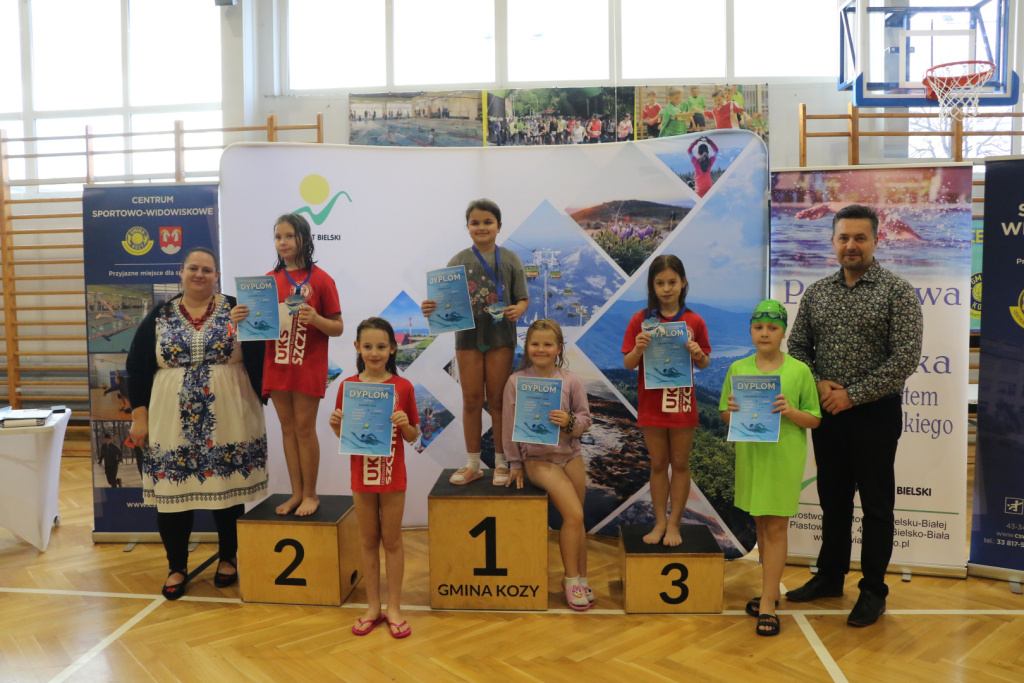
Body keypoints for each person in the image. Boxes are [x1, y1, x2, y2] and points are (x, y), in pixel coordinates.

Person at [785, 204, 923, 627]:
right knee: (833, 500)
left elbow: (905, 358)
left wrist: (853, 395)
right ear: (833, 242)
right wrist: (818, 383)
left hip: (875, 415)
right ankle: (830, 576)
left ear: (876, 241)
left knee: (877, 506)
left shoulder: (897, 292)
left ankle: (873, 591)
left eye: (860, 238)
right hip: (827, 412)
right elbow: (797, 347)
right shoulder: (817, 293)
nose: (851, 245)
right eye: (843, 238)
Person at [127, 246, 268, 600]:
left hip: (230, 415)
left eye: (207, 270)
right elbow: (137, 366)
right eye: (193, 268)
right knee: (172, 494)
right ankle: (176, 565)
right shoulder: (160, 315)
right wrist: (139, 415)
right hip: (169, 419)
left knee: (227, 489)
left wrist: (251, 324)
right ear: (182, 272)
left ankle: (228, 557)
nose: (199, 274)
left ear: (217, 275)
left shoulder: (237, 307)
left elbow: (264, 349)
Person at [719, 300, 821, 636]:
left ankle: (767, 604)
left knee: (776, 528)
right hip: (752, 458)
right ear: (751, 331)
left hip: (783, 459)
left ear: (783, 332)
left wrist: (790, 411)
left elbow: (814, 419)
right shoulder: (738, 369)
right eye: (758, 327)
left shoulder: (799, 371)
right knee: (762, 526)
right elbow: (725, 414)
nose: (765, 333)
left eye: (772, 328)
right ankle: (771, 590)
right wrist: (732, 411)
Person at [231, 213, 343, 517]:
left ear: (304, 238)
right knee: (287, 428)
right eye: (278, 237)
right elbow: (255, 327)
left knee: (305, 429)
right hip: (277, 363)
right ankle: (296, 493)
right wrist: (241, 318)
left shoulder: (322, 279)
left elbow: (338, 327)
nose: (283, 242)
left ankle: (311, 494)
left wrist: (316, 319)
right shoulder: (267, 281)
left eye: (289, 236)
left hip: (308, 365)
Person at [421, 199, 529, 486]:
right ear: (467, 227)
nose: (481, 227)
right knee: (471, 401)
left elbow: (523, 298)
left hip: (501, 338)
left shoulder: (511, 259)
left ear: (499, 226)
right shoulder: (457, 261)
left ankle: (502, 462)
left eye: (488, 222)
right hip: (467, 340)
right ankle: (472, 464)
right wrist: (431, 308)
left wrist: (519, 309)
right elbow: (442, 301)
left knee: (497, 401)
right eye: (475, 222)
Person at [330, 318, 419, 639]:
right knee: (368, 540)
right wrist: (336, 424)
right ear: (357, 347)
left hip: (393, 474)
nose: (374, 353)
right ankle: (372, 608)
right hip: (362, 474)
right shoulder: (347, 387)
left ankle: (393, 608)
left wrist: (405, 423)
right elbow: (344, 436)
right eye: (367, 346)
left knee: (392, 541)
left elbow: (413, 436)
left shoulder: (403, 387)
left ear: (392, 349)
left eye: (381, 346)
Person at [621, 255, 711, 546]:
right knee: (658, 463)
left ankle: (675, 523)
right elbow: (628, 364)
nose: (667, 288)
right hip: (651, 403)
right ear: (652, 285)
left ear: (683, 282)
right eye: (660, 283)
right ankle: (660, 521)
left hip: (682, 402)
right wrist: (638, 349)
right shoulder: (640, 320)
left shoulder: (694, 320)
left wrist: (698, 354)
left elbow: (705, 362)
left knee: (680, 463)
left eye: (672, 282)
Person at [503, 320, 593, 610]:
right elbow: (508, 426)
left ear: (559, 348)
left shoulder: (571, 380)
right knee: (574, 515)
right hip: (538, 460)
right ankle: (570, 580)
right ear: (527, 347)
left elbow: (585, 419)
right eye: (535, 344)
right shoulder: (515, 381)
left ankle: (582, 578)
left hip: (571, 455)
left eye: (547, 344)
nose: (540, 349)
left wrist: (570, 422)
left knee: (577, 520)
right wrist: (515, 464)